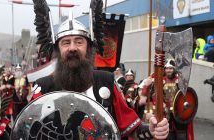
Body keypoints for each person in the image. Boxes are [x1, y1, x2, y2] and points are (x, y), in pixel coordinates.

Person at [30, 16, 169, 139]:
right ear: (58, 50)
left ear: (88, 48)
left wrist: (150, 130)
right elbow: (27, 131)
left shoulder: (106, 81)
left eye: (79, 42)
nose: (72, 48)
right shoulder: (43, 87)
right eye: (66, 43)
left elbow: (130, 129)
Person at [139, 59, 194, 140]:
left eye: (171, 68)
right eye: (167, 68)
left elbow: (185, 96)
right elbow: (152, 93)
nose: (169, 70)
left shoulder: (180, 80)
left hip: (178, 112)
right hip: (165, 112)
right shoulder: (159, 79)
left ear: (174, 69)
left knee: (181, 135)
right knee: (167, 133)